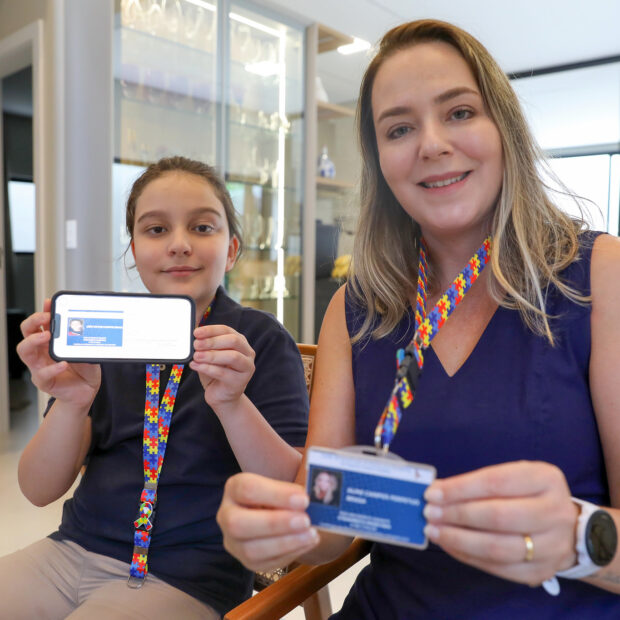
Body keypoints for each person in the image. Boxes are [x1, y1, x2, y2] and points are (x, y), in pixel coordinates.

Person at [215, 19, 620, 618]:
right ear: (380, 161)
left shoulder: (598, 275)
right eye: (400, 128)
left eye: (459, 112)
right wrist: (280, 528)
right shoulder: (355, 309)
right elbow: (328, 529)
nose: (431, 144)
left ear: (504, 129)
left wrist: (578, 537)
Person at [0, 156, 309, 619]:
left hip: (187, 578)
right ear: (134, 251)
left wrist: (232, 403)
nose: (179, 245)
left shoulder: (257, 341)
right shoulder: (111, 338)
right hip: (70, 552)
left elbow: (290, 489)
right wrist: (71, 402)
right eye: (156, 229)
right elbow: (38, 489)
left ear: (231, 251)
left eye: (202, 227)